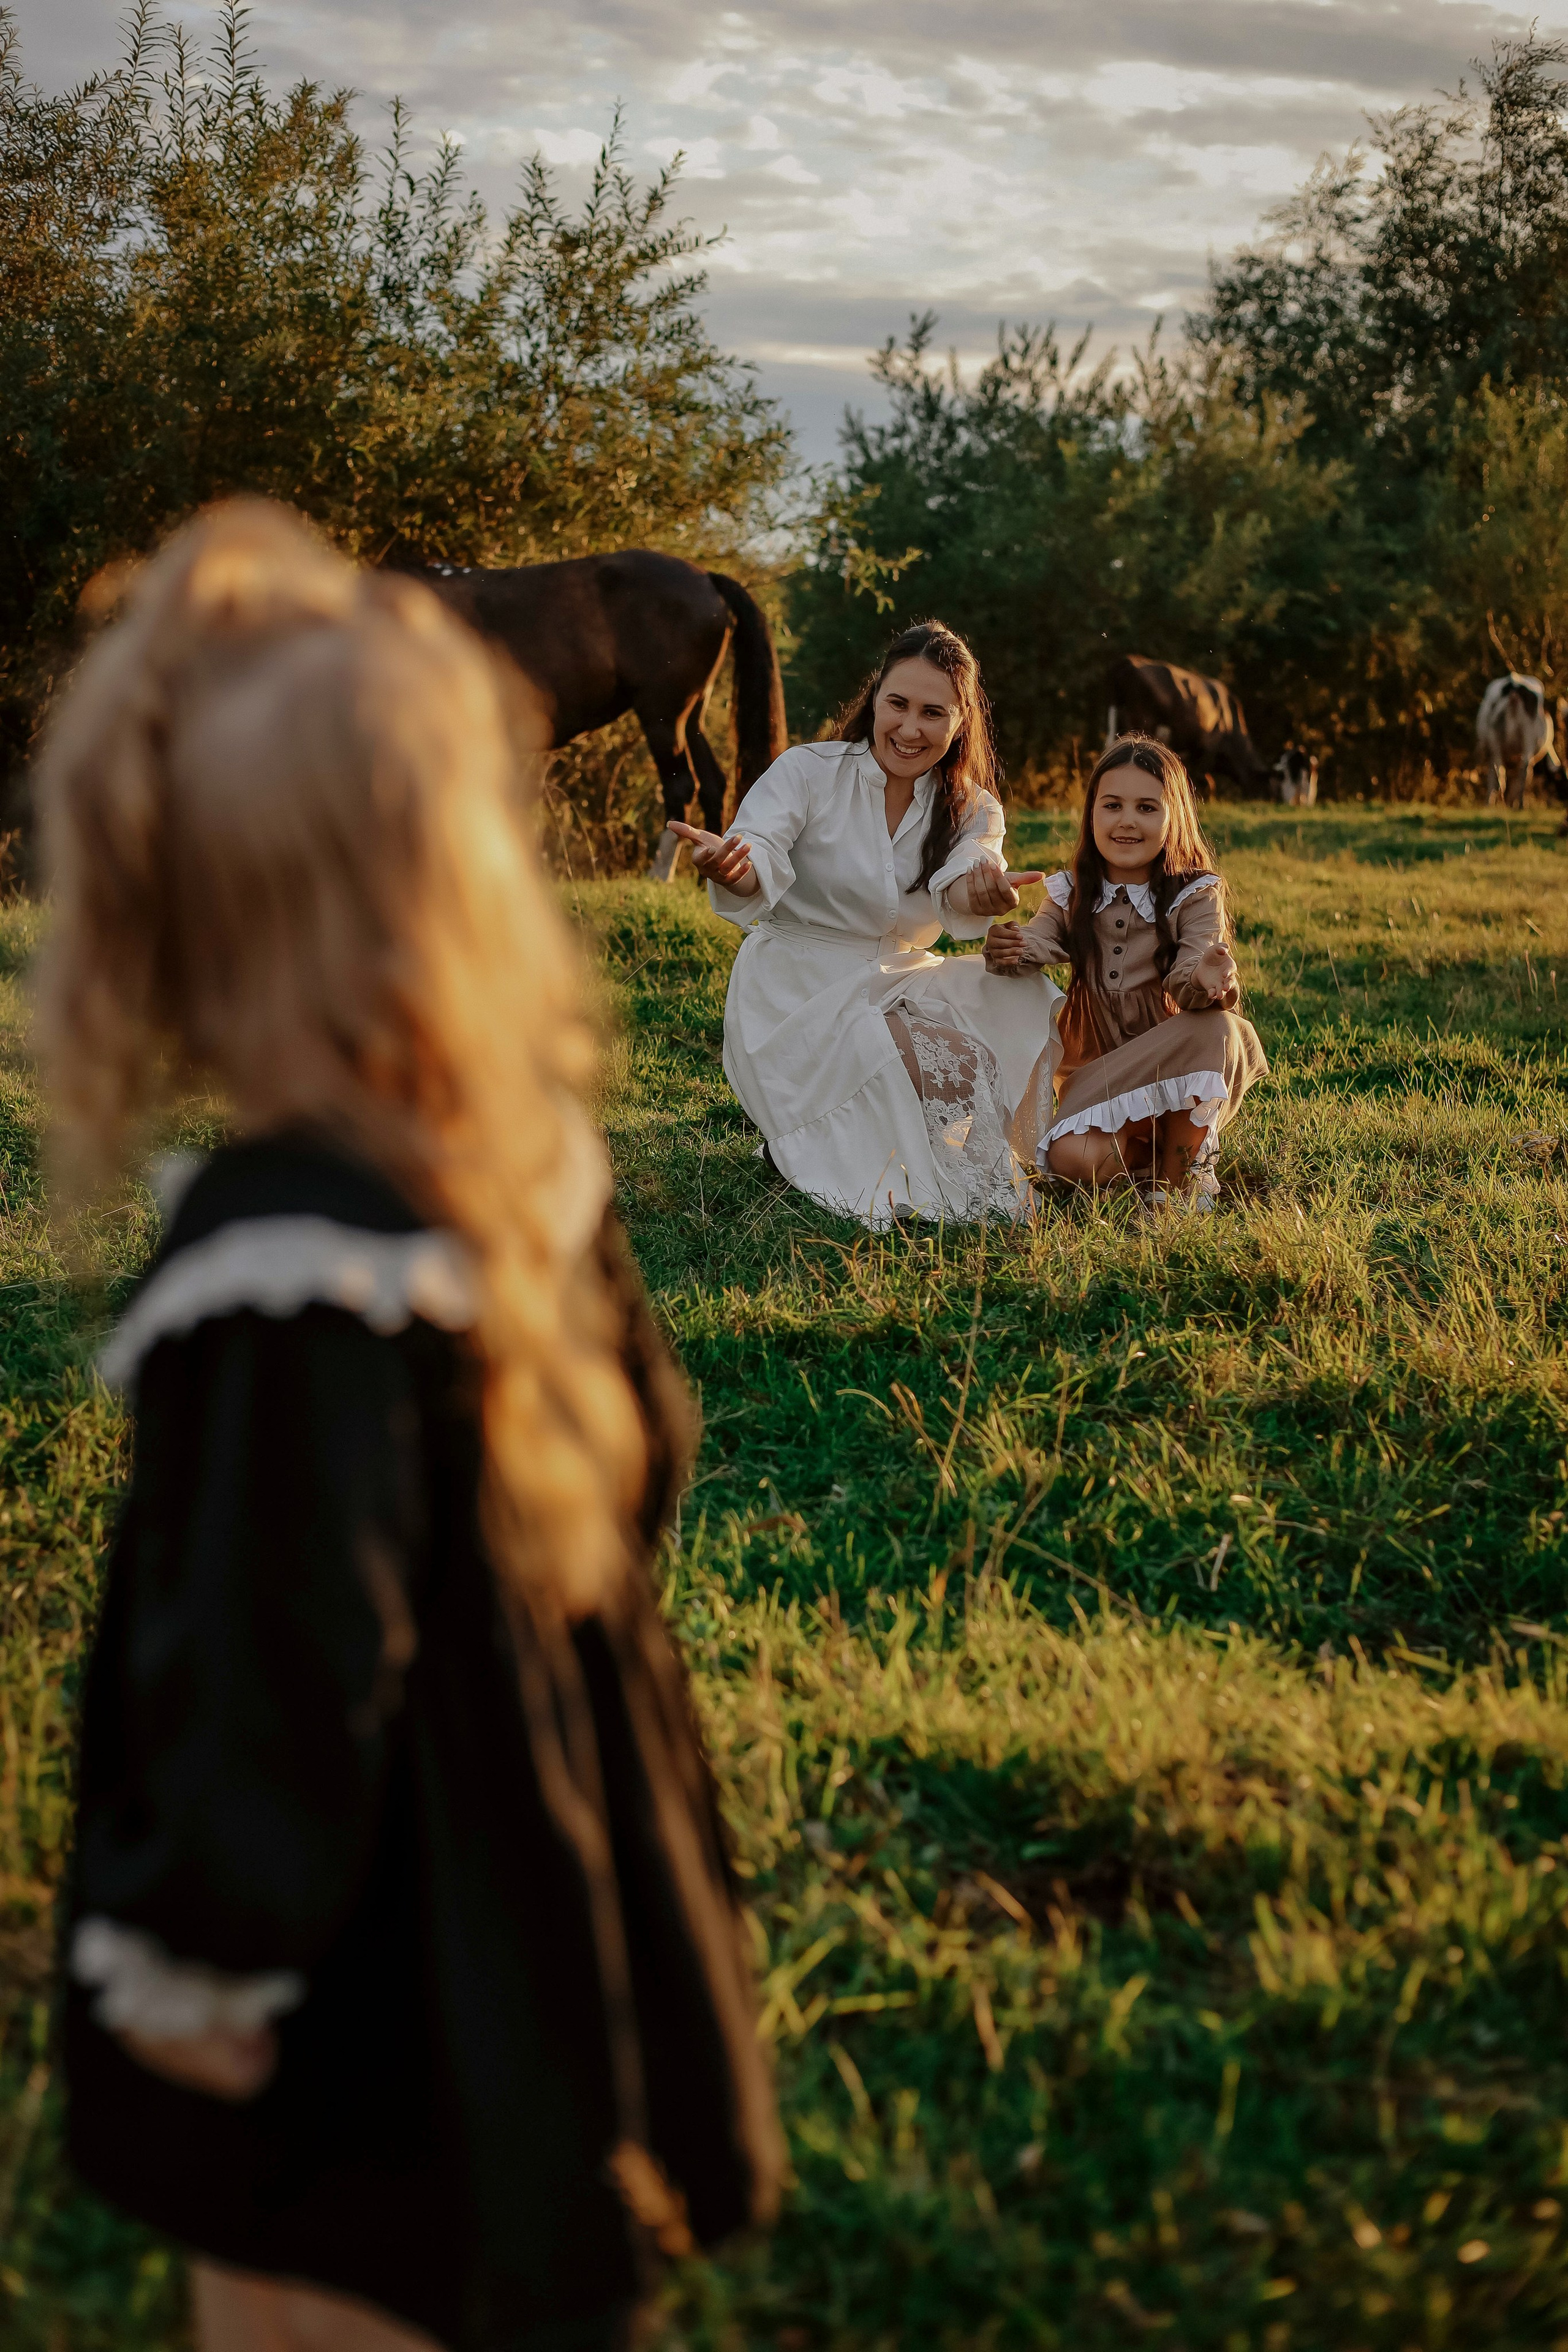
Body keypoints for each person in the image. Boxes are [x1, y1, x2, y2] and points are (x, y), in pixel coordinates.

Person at [39, 500, 782, 2352]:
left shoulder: (277, 1264)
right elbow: (650, 1455)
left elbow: (279, 1663)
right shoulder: (524, 1165)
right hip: (544, 1864)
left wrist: (199, 1970)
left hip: (347, 1941)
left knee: (303, 2274)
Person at [669, 622, 1058, 1226]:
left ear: (960, 722)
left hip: (901, 974)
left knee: (1020, 1003)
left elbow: (965, 877)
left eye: (933, 712)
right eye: (897, 703)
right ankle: (847, 1151)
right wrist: (728, 868)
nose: (909, 728)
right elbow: (758, 856)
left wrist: (982, 894)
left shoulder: (974, 807)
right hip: (799, 988)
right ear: (874, 696)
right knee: (924, 1058)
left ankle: (1036, 1150)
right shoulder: (806, 771)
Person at [984, 735, 1267, 1207]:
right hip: (1102, 1075)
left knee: (1219, 1027)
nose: (1128, 821)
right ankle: (1145, 1165)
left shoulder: (1194, 894)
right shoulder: (1072, 891)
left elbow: (1191, 969)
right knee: (1072, 1158)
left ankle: (1178, 1186)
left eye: (1147, 808)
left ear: (1173, 816)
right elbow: (1042, 937)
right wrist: (1010, 945)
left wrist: (1205, 977)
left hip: (1174, 1061)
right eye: (1112, 805)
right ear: (1092, 813)